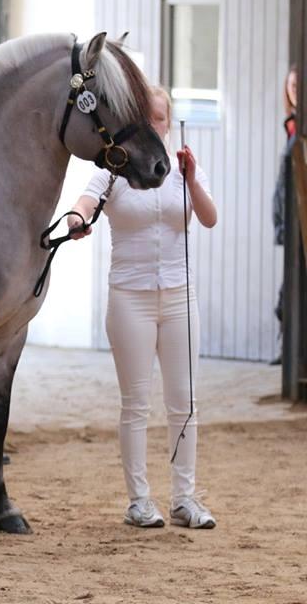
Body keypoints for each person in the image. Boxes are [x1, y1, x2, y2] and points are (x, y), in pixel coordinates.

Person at [68, 87, 218, 529]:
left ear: (168, 122)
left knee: (185, 401)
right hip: (130, 296)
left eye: (159, 118)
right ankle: (139, 499)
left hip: (179, 295)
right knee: (135, 403)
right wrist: (77, 219)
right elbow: (85, 201)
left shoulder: (181, 168)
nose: (154, 126)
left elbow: (208, 217)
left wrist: (191, 180)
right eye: (146, 119)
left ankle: (185, 498)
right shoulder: (114, 170)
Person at [271, 66, 298, 364]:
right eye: (291, 84)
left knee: (289, 293)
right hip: (288, 224)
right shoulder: (291, 124)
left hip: (298, 222)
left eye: (299, 84)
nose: (295, 89)